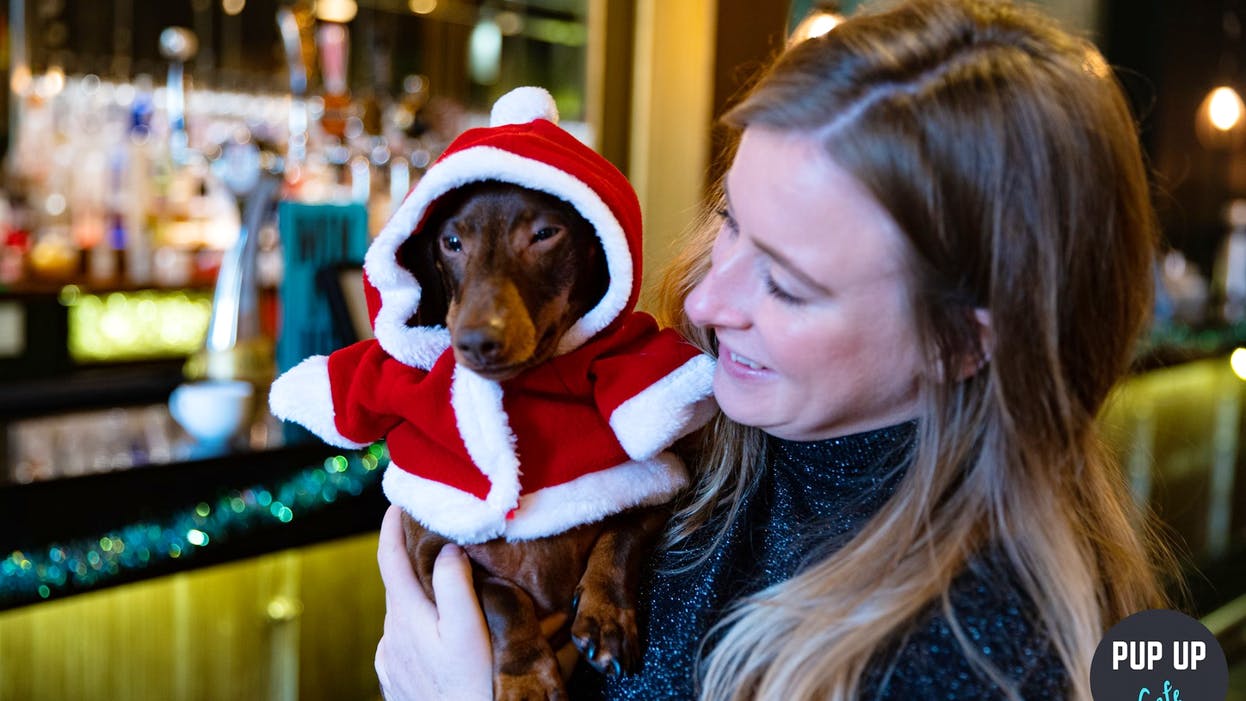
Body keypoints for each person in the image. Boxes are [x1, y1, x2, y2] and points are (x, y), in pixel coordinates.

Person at [373, 0, 1175, 698]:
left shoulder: (978, 653)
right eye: (729, 219)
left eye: (787, 285)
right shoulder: (682, 422)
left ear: (963, 339)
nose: (701, 302)